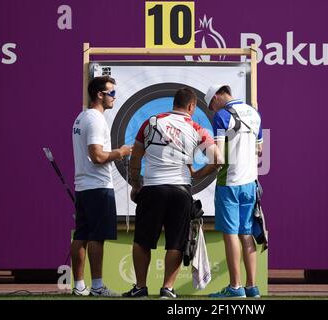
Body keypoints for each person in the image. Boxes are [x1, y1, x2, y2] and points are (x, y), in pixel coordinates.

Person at [123, 87, 221, 298]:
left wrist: (135, 184)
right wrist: (196, 174)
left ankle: (140, 287)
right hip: (180, 190)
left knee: (142, 240)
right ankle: (167, 288)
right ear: (191, 106)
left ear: (174, 103)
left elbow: (136, 157)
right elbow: (218, 160)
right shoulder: (197, 127)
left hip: (152, 188)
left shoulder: (151, 122)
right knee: (176, 241)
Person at [71, 76, 132, 296]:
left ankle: (80, 286)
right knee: (96, 237)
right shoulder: (95, 119)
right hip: (97, 186)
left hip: (84, 185)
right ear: (100, 94)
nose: (114, 97)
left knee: (82, 235)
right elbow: (97, 156)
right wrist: (121, 152)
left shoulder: (81, 117)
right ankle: (96, 286)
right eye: (111, 93)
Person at [204, 84, 263, 298]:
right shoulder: (254, 113)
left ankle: (235, 287)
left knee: (231, 235)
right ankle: (251, 287)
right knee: (246, 233)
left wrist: (199, 169)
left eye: (211, 104)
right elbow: (260, 149)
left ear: (218, 96)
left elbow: (217, 157)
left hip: (229, 182)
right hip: (250, 182)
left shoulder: (221, 115)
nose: (212, 109)